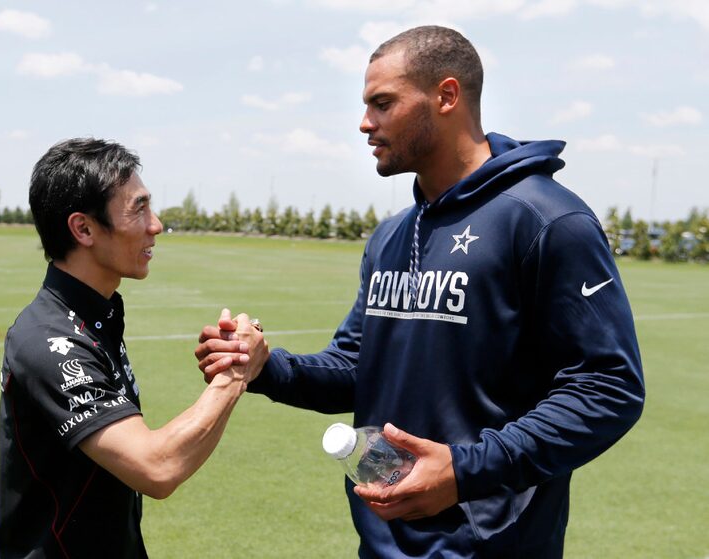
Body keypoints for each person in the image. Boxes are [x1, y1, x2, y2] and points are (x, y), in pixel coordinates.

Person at [196, 26, 645, 558]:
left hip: (493, 546)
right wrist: (267, 367)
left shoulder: (547, 219)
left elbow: (607, 387)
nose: (366, 124)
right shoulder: (391, 235)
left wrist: (464, 471)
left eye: (382, 104)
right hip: (385, 542)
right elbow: (360, 366)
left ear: (447, 96)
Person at [0, 138, 267, 558]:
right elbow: (157, 467)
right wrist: (235, 374)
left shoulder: (94, 317)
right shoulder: (50, 341)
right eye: (138, 208)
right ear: (83, 228)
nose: (155, 225)